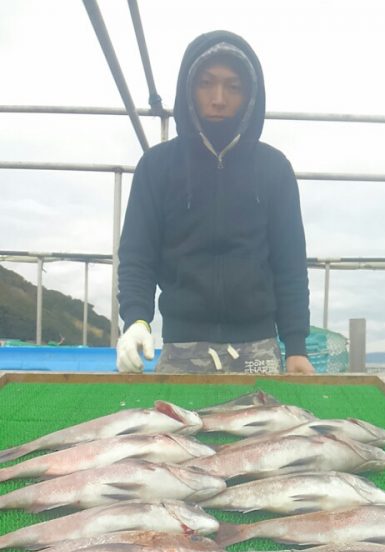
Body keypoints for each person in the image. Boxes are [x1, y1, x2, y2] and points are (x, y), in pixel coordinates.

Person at [116, 30, 315, 375]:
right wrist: (136, 320)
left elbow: (290, 264)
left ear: (250, 95)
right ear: (188, 88)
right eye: (206, 83)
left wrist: (296, 347)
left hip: (259, 349)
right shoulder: (156, 166)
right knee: (171, 431)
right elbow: (137, 256)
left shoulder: (275, 169)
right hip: (180, 347)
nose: (219, 98)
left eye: (233, 87)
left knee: (269, 431)